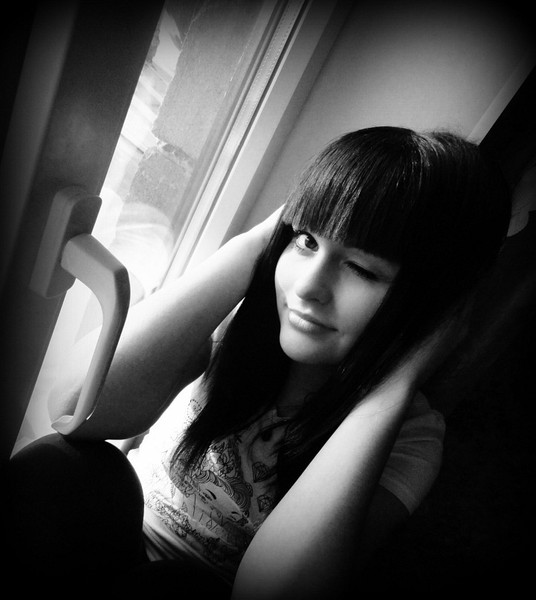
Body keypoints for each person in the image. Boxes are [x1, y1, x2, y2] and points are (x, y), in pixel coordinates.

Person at [7, 127, 510, 598]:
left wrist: (398, 381)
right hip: (105, 539)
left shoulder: (408, 437)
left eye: (360, 268)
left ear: (428, 306)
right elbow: (72, 408)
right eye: (306, 240)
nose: (308, 287)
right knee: (61, 468)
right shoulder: (236, 330)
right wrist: (257, 243)